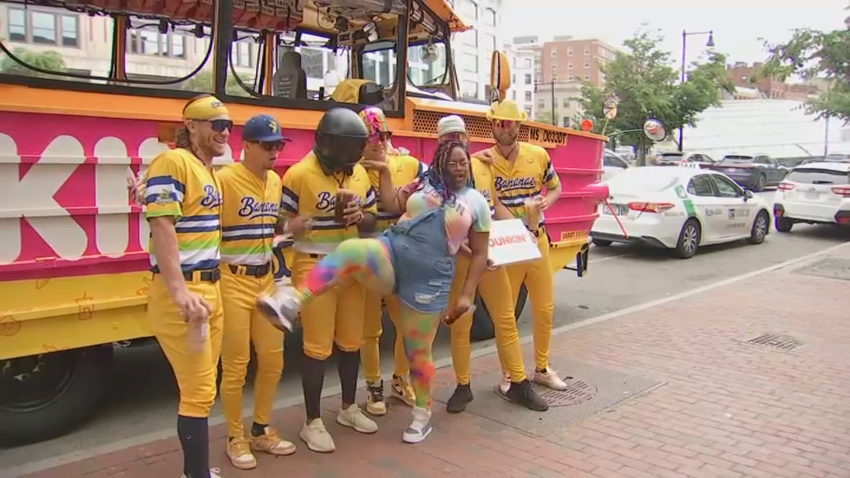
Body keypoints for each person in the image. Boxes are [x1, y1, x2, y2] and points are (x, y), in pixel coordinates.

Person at [261, 139, 491, 444]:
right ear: (439, 163)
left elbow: (478, 253)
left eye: (464, 163)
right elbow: (393, 204)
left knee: (417, 353)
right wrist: (384, 171)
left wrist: (466, 294)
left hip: (427, 279)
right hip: (392, 252)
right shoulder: (423, 183)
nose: (459, 168)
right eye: (452, 162)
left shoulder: (476, 202)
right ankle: (292, 301)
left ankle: (422, 416)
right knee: (352, 250)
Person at [260, 107, 379, 453]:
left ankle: (347, 407)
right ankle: (312, 421)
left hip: (351, 266)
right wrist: (291, 226)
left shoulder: (359, 175)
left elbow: (372, 219)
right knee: (316, 347)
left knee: (351, 342)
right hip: (314, 264)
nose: (353, 157)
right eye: (349, 148)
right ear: (330, 145)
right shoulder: (299, 175)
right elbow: (275, 224)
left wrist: (362, 216)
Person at [437, 116, 549, 413]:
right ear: (440, 144)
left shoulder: (483, 165)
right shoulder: (435, 178)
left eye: (460, 137)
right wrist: (466, 249)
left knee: (506, 320)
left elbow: (495, 205)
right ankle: (462, 386)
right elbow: (437, 223)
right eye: (449, 139)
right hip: (460, 261)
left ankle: (519, 384)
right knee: (461, 326)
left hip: (490, 257)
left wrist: (520, 231)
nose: (456, 143)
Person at [144, 94, 228, 478]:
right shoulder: (174, 160)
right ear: (191, 126)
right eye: (215, 124)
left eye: (227, 125)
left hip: (210, 289)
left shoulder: (204, 168)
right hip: (186, 293)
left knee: (205, 387)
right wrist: (179, 291)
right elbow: (161, 225)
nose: (223, 132)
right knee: (199, 393)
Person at [216, 115, 300, 470]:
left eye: (278, 145)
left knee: (273, 359)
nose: (274, 152)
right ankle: (235, 437)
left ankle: (261, 429)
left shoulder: (276, 182)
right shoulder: (224, 180)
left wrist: (291, 227)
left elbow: (272, 231)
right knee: (236, 365)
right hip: (231, 278)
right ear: (246, 145)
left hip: (264, 279)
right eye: (267, 145)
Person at [484, 100, 568, 393]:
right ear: (492, 124)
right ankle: (510, 374)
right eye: (499, 123)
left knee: (545, 309)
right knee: (505, 314)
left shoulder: (538, 155)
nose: (504, 129)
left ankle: (542, 368)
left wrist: (547, 201)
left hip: (539, 240)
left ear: (519, 125)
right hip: (507, 242)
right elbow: (492, 202)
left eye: (510, 123)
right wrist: (522, 228)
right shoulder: (483, 161)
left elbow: (556, 186)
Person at [357, 107, 423, 416]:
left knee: (406, 323)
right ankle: (373, 386)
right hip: (369, 257)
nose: (379, 142)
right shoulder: (352, 169)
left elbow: (437, 186)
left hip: (401, 256)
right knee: (370, 329)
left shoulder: (408, 164)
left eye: (384, 135)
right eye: (373, 136)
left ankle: (401, 378)